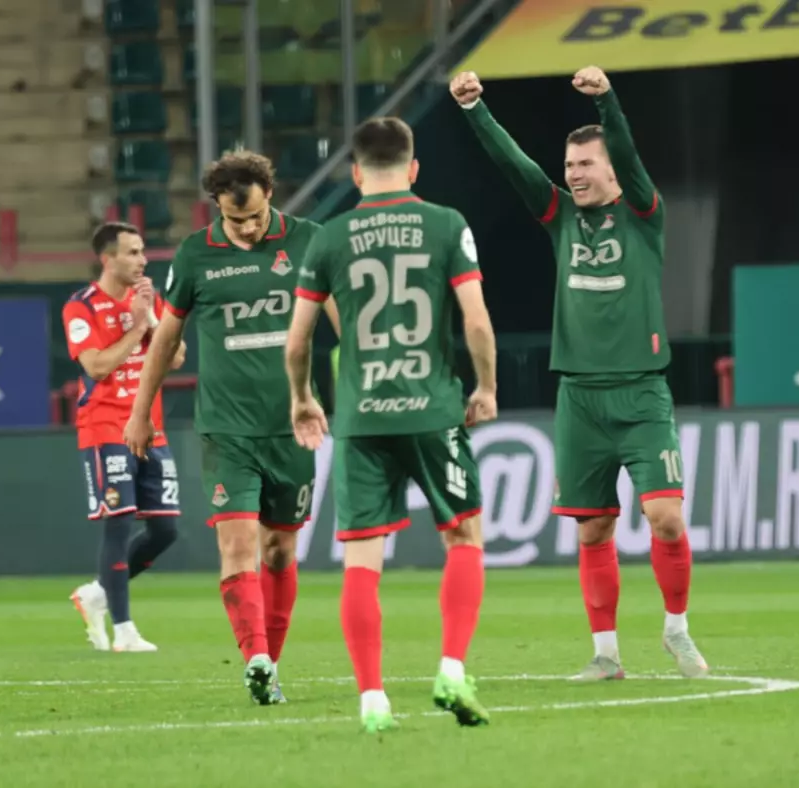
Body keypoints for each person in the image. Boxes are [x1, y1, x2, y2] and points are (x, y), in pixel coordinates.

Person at [453, 66, 706, 681]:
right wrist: (475, 110)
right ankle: (606, 654)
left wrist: (608, 102)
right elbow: (515, 166)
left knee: (666, 517)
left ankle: (677, 629)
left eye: (587, 164)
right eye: (569, 166)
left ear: (614, 171)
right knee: (593, 529)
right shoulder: (560, 217)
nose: (574, 174)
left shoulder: (643, 212)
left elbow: (628, 152)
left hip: (642, 394)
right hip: (579, 398)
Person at [285, 116, 498, 734]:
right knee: (464, 536)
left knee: (362, 560)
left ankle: (372, 698)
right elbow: (475, 320)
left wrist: (302, 399)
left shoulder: (329, 237)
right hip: (432, 410)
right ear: (414, 167)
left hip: (361, 417)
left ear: (355, 173)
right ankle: (452, 669)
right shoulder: (446, 224)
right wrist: (485, 387)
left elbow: (297, 342)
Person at [123, 148, 339, 705]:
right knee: (237, 544)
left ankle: (271, 668)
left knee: (280, 552)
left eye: (255, 217)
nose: (246, 228)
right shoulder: (196, 254)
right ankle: (256, 659)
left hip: (292, 426)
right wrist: (141, 412)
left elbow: (347, 324)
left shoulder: (311, 241)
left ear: (272, 198)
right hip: (226, 429)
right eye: (234, 218)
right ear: (216, 207)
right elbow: (166, 339)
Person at [63, 222, 185, 653]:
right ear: (107, 259)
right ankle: (125, 630)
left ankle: (97, 593)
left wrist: (150, 318)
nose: (142, 260)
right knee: (118, 525)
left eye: (142, 251)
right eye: (132, 252)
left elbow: (177, 356)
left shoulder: (148, 300)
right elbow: (96, 366)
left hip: (149, 428)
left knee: (165, 530)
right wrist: (134, 329)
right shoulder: (81, 307)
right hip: (106, 427)